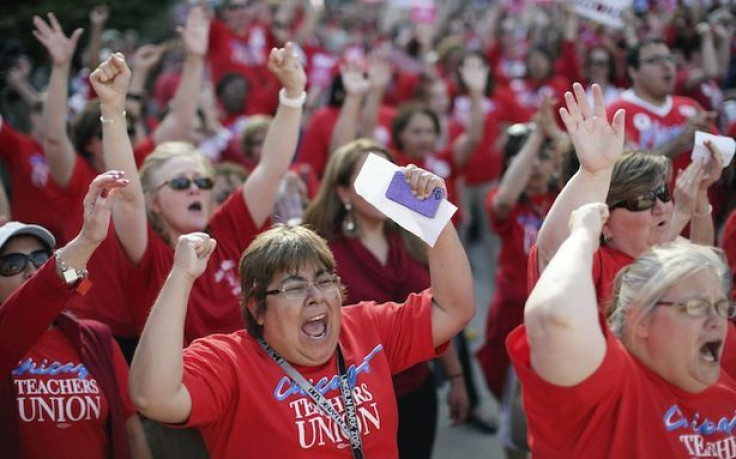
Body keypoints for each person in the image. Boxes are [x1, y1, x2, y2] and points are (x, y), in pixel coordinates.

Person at [128, 165, 475, 458]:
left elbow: (454, 308)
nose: (315, 296)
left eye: (324, 281)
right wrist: (181, 276)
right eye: (294, 287)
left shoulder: (366, 327)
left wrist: (433, 220)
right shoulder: (229, 362)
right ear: (257, 308)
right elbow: (152, 397)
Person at [90, 42, 304, 343]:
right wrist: (112, 108)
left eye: (202, 183)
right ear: (153, 203)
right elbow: (126, 194)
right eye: (180, 183)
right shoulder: (150, 255)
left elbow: (272, 168)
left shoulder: (226, 229)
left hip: (249, 379)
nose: (195, 189)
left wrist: (293, 94)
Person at [508, 202, 736, 457]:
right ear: (641, 321)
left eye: (722, 306)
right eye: (696, 307)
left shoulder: (725, 384)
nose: (717, 321)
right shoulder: (612, 388)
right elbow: (553, 314)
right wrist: (584, 232)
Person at [302, 138, 469, 458]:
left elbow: (439, 307)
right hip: (356, 398)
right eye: (367, 178)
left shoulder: (412, 239)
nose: (380, 187)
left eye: (387, 176)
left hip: (418, 390)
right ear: (342, 193)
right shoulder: (323, 255)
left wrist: (456, 377)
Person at [0, 171, 151, 458]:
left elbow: (131, 430)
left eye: (40, 260)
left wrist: (90, 240)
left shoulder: (95, 336)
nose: (31, 270)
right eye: (12, 263)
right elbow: (49, 287)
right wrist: (88, 239)